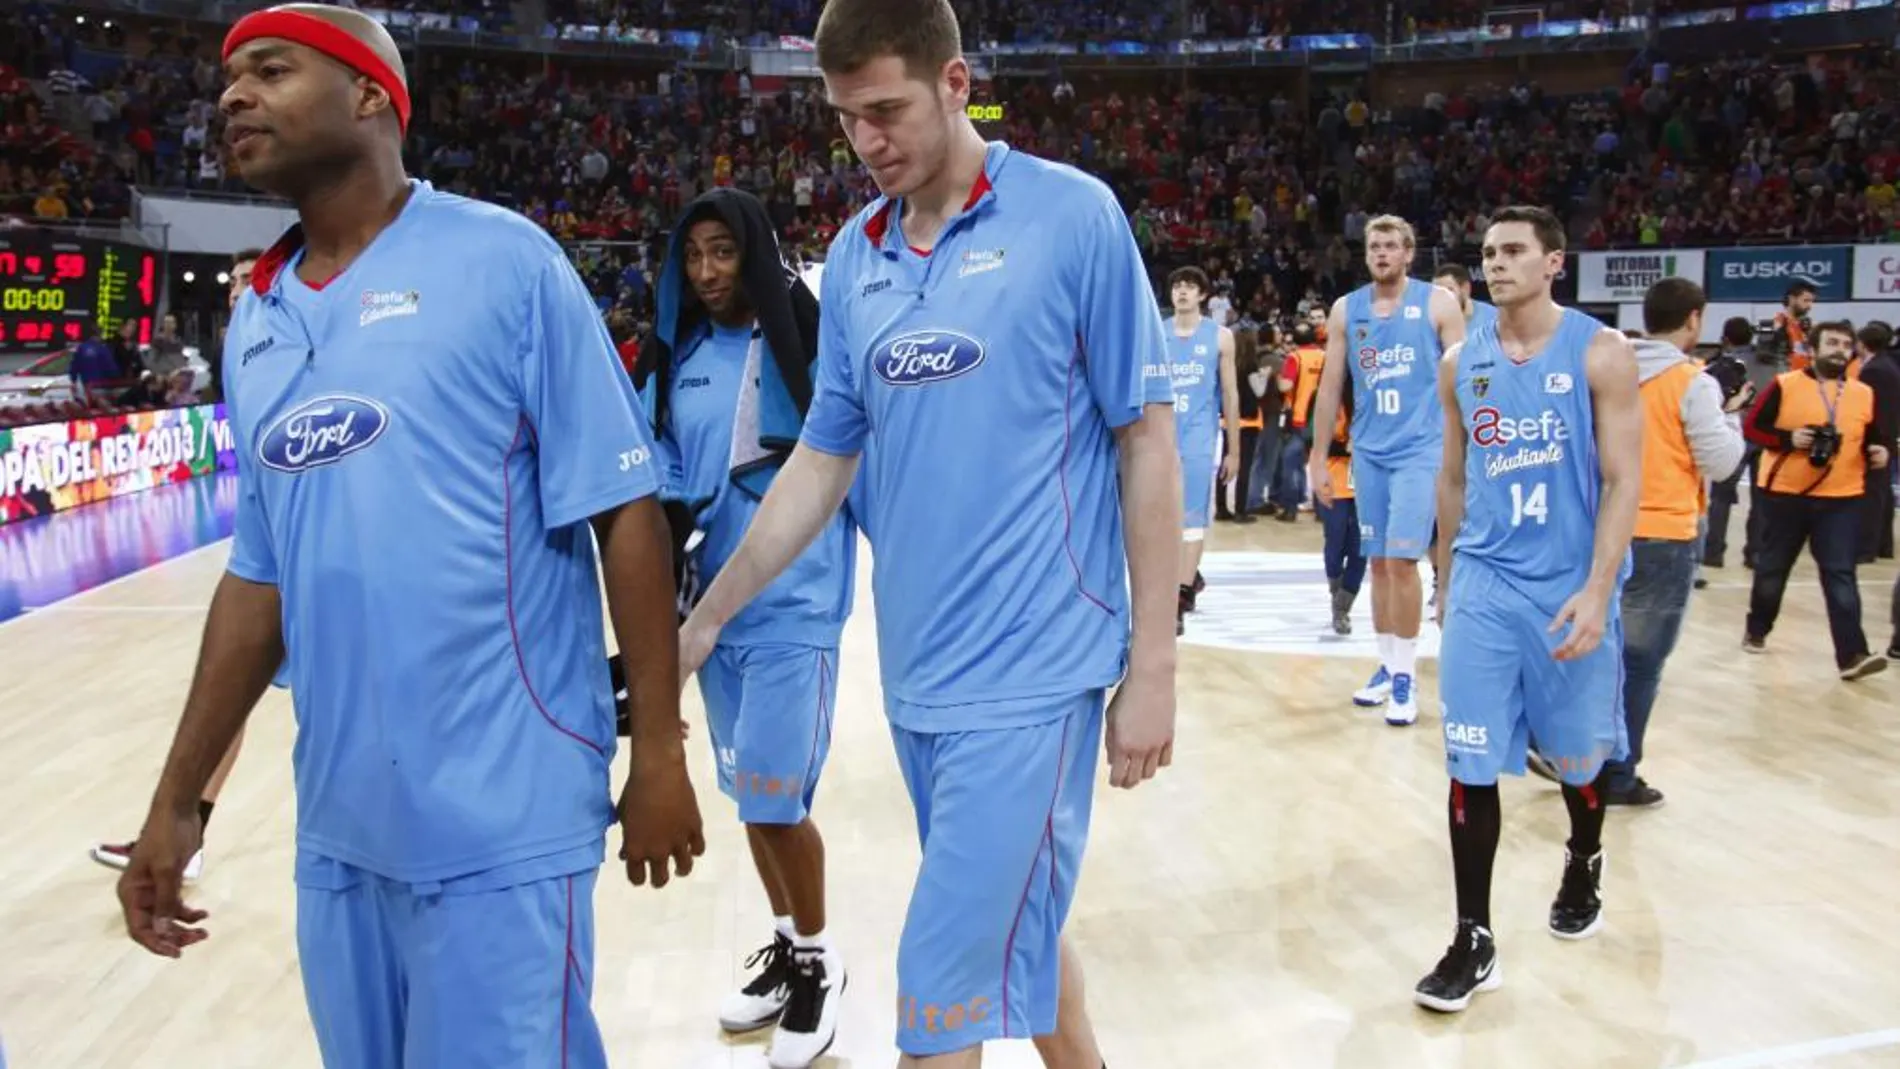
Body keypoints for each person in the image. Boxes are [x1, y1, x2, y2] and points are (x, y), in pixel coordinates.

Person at [113, 7, 706, 1067]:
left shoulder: (503, 261)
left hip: (504, 817)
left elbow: (624, 509)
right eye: (229, 77)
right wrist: (177, 803)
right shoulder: (256, 315)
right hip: (341, 826)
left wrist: (656, 750)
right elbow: (259, 582)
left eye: (269, 71)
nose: (232, 95)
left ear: (371, 98)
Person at [676, 0, 1181, 1064]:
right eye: (847, 119)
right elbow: (821, 461)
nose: (868, 143)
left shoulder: (1072, 218)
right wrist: (708, 616)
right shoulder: (855, 260)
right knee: (1021, 939)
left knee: (938, 989)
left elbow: (1146, 439)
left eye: (888, 111)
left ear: (956, 83)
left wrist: (1153, 665)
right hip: (920, 681)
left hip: (1037, 681)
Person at [632, 187, 855, 1069]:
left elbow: (850, 467)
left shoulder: (807, 346)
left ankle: (820, 964)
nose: (708, 272)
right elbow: (655, 482)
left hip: (798, 607)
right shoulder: (674, 358)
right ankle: (787, 946)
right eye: (694, 256)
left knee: (774, 797)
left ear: (754, 253)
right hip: (709, 618)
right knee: (749, 800)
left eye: (724, 253)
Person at [1420, 205, 1643, 1013]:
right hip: (1484, 585)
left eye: (1515, 250)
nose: (1497, 263)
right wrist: (1447, 576)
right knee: (1468, 758)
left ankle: (1584, 855)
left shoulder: (1603, 353)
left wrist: (1598, 586)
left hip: (1568, 588)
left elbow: (1624, 481)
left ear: (1555, 261)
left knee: (1579, 762)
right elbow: (1450, 477)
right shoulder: (1458, 363)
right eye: (1488, 252)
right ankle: (1473, 937)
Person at [91, 245, 266, 882]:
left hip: (319, 557)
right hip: (266, 554)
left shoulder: (296, 344)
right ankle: (182, 840)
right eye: (234, 283)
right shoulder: (239, 352)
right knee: (227, 699)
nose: (239, 290)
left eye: (252, 278)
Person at [1307, 216, 1466, 727]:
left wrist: (1465, 452)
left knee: (1402, 562)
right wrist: (1316, 456)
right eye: (1374, 245)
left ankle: (1406, 676)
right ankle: (1387, 663)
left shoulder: (1437, 305)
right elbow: (1330, 386)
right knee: (1376, 562)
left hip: (1422, 451)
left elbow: (1466, 378)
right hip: (1367, 451)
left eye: (1391, 245)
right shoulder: (1345, 310)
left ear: (1408, 252)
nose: (1380, 253)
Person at [1596, 278, 1746, 806]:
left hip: (1602, 526)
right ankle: (1616, 773)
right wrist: (1731, 412)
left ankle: (1569, 749)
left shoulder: (1609, 372)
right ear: (1694, 320)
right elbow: (1722, 463)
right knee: (1640, 661)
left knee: (1597, 651)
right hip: (1662, 531)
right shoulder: (1691, 381)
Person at [1741, 320, 1890, 680]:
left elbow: (1874, 436)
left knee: (1840, 573)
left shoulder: (1863, 393)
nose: (1839, 350)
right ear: (1813, 348)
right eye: (1832, 343)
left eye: (1845, 344)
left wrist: (1880, 451)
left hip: (1842, 497)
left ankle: (1853, 655)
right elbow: (1752, 428)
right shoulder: (1784, 385)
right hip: (1785, 495)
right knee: (1774, 568)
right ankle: (1757, 628)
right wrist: (1789, 439)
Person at [1165, 266, 1239, 633]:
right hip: (1161, 440)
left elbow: (1230, 394)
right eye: (1177, 286)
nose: (1182, 292)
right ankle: (1189, 578)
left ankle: (1179, 596)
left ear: (1203, 296)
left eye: (1189, 287)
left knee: (1191, 521)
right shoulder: (1155, 334)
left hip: (1199, 440)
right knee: (1162, 522)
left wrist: (1235, 450)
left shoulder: (1220, 337)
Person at [1319, 396, 1366, 635]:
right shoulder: (1330, 397)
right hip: (1335, 478)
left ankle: (1342, 608)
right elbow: (1312, 436)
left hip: (1367, 480)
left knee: (1360, 548)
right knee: (1335, 542)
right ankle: (1336, 592)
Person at [1433, 262, 1498, 337]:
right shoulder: (1431, 322)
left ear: (1465, 289)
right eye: (1437, 291)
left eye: (1449, 290)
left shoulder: (1493, 318)